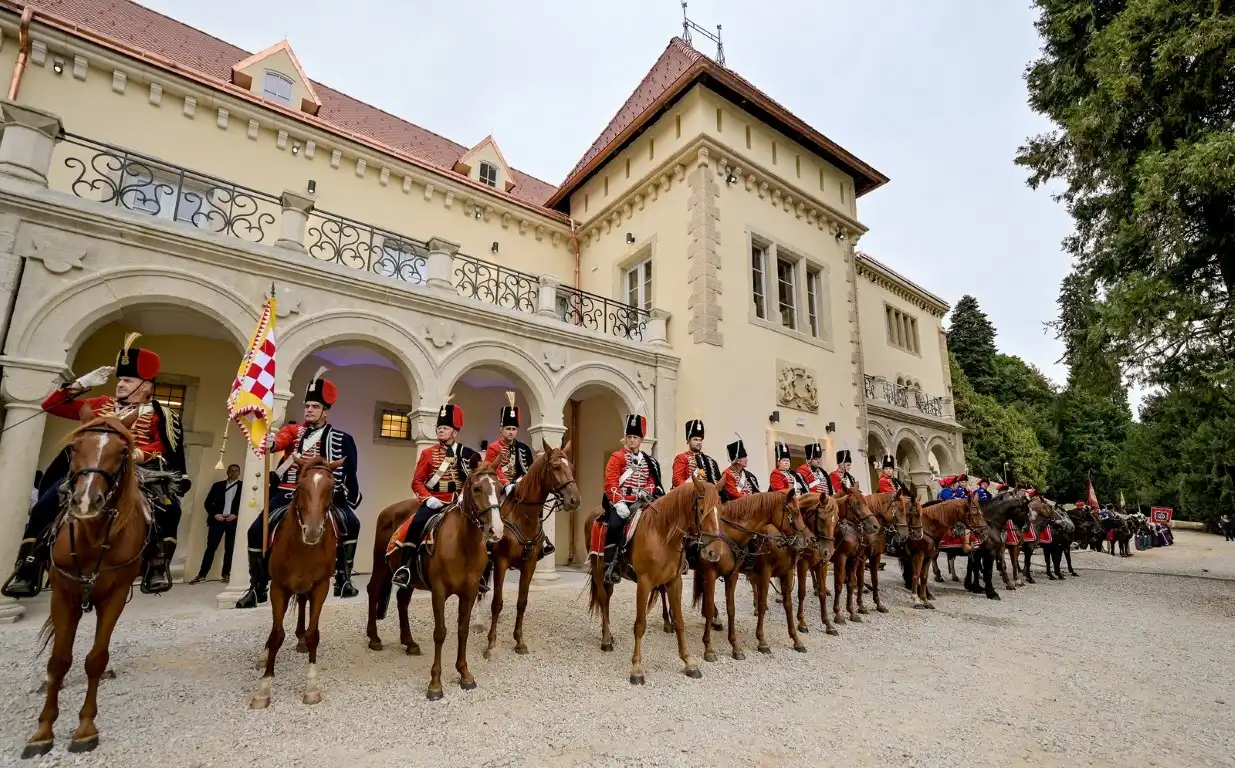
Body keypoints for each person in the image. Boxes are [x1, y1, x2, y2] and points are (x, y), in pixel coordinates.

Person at [2, 334, 190, 600]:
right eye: (121, 380)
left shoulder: (162, 413)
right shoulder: (99, 404)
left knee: (171, 509)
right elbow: (50, 406)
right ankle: (29, 564)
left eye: (128, 380)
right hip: (91, 468)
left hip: (138, 471)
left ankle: (157, 565)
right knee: (46, 503)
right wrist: (81, 384)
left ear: (146, 386)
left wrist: (139, 454)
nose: (121, 385)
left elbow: (163, 446)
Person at [236, 371, 362, 608]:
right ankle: (257, 586)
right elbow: (279, 442)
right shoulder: (294, 431)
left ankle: (343, 578)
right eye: (307, 406)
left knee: (352, 523)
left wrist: (336, 491)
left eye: (315, 406)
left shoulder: (341, 438)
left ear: (326, 411)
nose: (309, 410)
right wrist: (269, 440)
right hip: (288, 492)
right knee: (255, 530)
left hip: (324, 496)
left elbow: (348, 471)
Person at [393, 397, 484, 591]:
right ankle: (405, 568)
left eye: (445, 427)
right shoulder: (428, 453)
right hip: (435, 501)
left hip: (459, 502)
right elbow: (416, 481)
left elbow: (475, 479)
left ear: (455, 432)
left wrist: (462, 496)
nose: (440, 430)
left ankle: (480, 573)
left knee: (483, 526)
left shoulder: (467, 453)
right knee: (416, 524)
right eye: (439, 427)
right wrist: (428, 498)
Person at [483, 391, 551, 559]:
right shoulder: (493, 448)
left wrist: (521, 482)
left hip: (519, 487)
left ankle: (539, 541)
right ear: (501, 429)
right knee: (491, 508)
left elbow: (528, 471)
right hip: (500, 487)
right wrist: (506, 484)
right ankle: (489, 542)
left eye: (513, 429)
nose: (511, 432)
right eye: (508, 428)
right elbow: (493, 469)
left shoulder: (524, 448)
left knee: (535, 505)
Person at [600, 412, 664, 585]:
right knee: (614, 525)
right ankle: (610, 566)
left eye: (635, 437)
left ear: (641, 439)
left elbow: (653, 482)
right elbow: (610, 482)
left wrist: (646, 491)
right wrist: (619, 502)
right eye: (629, 437)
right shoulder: (617, 457)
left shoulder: (649, 461)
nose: (632, 440)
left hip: (643, 501)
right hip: (622, 501)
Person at [189, 463, 242, 584]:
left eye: (236, 470)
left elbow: (245, 504)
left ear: (239, 473)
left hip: (233, 522)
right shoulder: (218, 486)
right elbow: (208, 503)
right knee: (211, 548)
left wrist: (236, 514)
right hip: (218, 521)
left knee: (230, 549)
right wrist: (215, 515)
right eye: (231, 470)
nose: (234, 472)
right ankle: (202, 574)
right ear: (227, 472)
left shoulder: (243, 487)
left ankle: (226, 574)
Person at [672, 418, 722, 487]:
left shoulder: (709, 460)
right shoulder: (681, 458)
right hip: (689, 494)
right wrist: (692, 490)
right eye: (695, 439)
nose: (698, 442)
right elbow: (677, 481)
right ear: (688, 441)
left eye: (700, 440)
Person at [721, 436, 760, 501]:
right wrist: (751, 498)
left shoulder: (749, 475)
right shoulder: (727, 474)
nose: (747, 460)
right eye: (744, 457)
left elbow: (756, 491)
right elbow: (734, 494)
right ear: (737, 460)